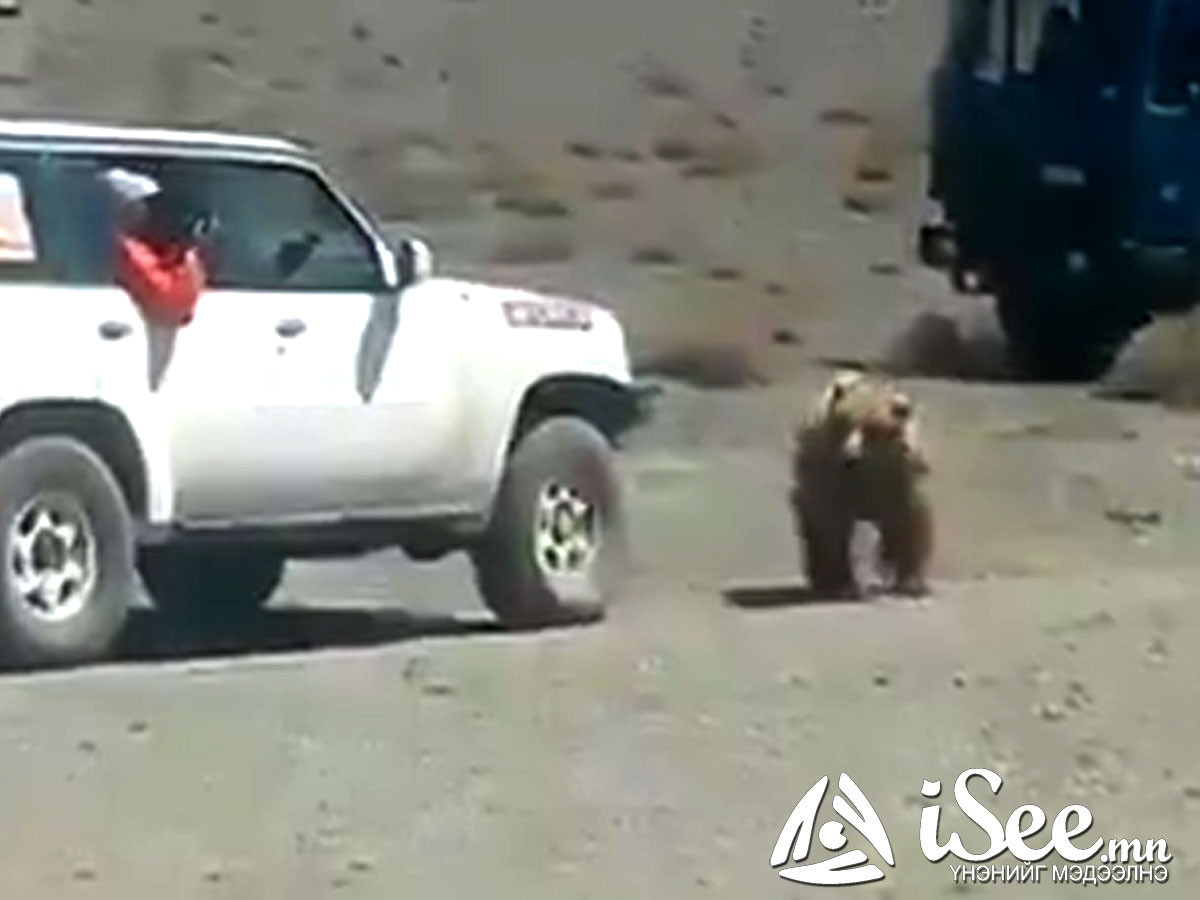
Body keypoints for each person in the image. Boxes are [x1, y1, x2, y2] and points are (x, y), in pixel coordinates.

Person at [102, 168, 206, 327]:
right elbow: (171, 301)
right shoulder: (127, 252)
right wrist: (189, 259)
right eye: (148, 204)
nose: (155, 213)